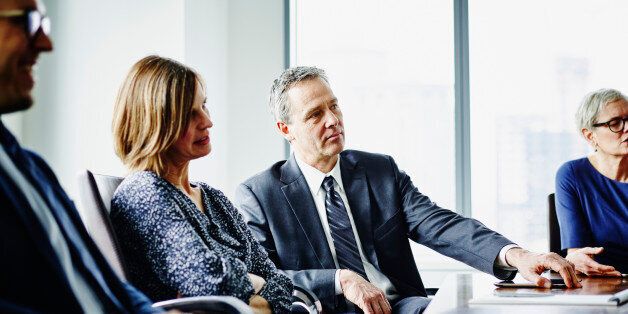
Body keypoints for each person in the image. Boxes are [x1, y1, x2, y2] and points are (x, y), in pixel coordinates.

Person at [235, 66, 581, 313]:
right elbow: (264, 276)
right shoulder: (260, 194)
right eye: (315, 114)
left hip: (401, 306)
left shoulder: (379, 170)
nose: (333, 119)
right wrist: (341, 280)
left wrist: (516, 255)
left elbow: (441, 225)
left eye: (334, 105)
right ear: (286, 129)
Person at [0, 0, 159, 313]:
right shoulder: (146, 192)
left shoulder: (33, 169)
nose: (46, 44)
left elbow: (106, 284)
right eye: (28, 22)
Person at [110, 55, 293, 313]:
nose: (207, 121)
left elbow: (279, 283)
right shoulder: (143, 193)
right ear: (156, 122)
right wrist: (255, 284)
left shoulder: (214, 198)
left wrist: (254, 296)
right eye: (189, 113)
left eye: (204, 106)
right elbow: (210, 281)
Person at [555, 88, 627, 276]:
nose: (626, 128)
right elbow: (577, 253)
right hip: (603, 283)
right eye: (616, 123)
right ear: (590, 136)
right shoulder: (572, 175)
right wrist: (576, 260)